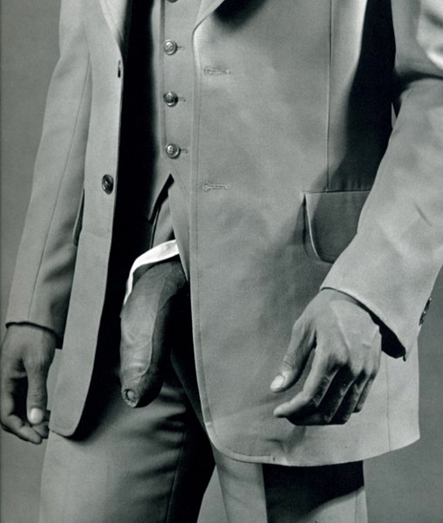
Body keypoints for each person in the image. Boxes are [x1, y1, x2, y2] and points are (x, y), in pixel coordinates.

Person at [1, 0, 443, 521]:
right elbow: (83, 80)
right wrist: (36, 304)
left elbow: (435, 88)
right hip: (115, 313)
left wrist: (366, 292)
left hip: (295, 314)